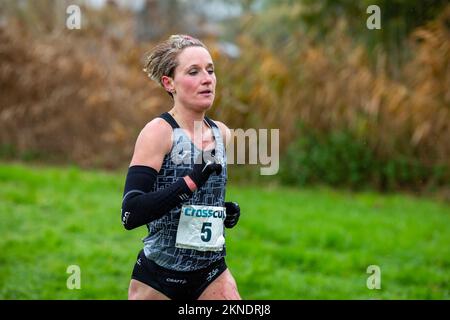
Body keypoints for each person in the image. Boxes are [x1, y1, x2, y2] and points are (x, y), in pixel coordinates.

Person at [121, 34, 241, 300]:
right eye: (193, 72)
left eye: (210, 70)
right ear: (169, 83)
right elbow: (130, 213)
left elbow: (192, 209)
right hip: (158, 277)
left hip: (211, 273)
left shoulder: (222, 133)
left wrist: (221, 211)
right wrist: (191, 181)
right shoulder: (158, 132)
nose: (207, 79)